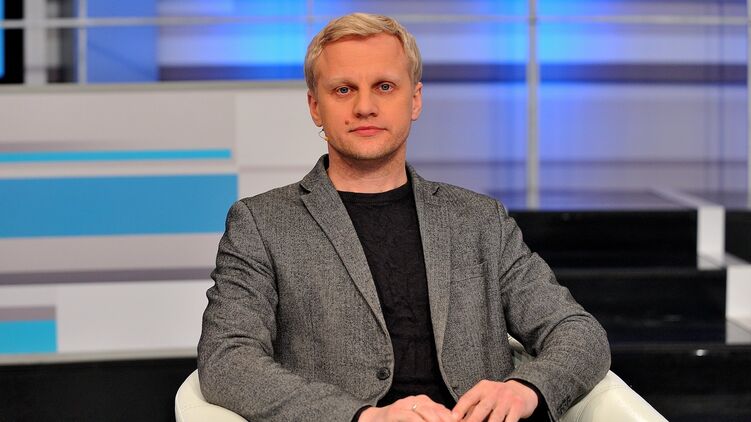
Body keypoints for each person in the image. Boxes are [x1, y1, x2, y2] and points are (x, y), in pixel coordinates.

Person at [198, 12, 610, 422]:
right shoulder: (261, 224)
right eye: (343, 89)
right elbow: (227, 359)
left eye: (384, 86)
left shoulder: (480, 220)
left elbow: (578, 331)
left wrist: (526, 388)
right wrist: (363, 417)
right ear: (315, 106)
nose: (364, 107)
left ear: (414, 100)